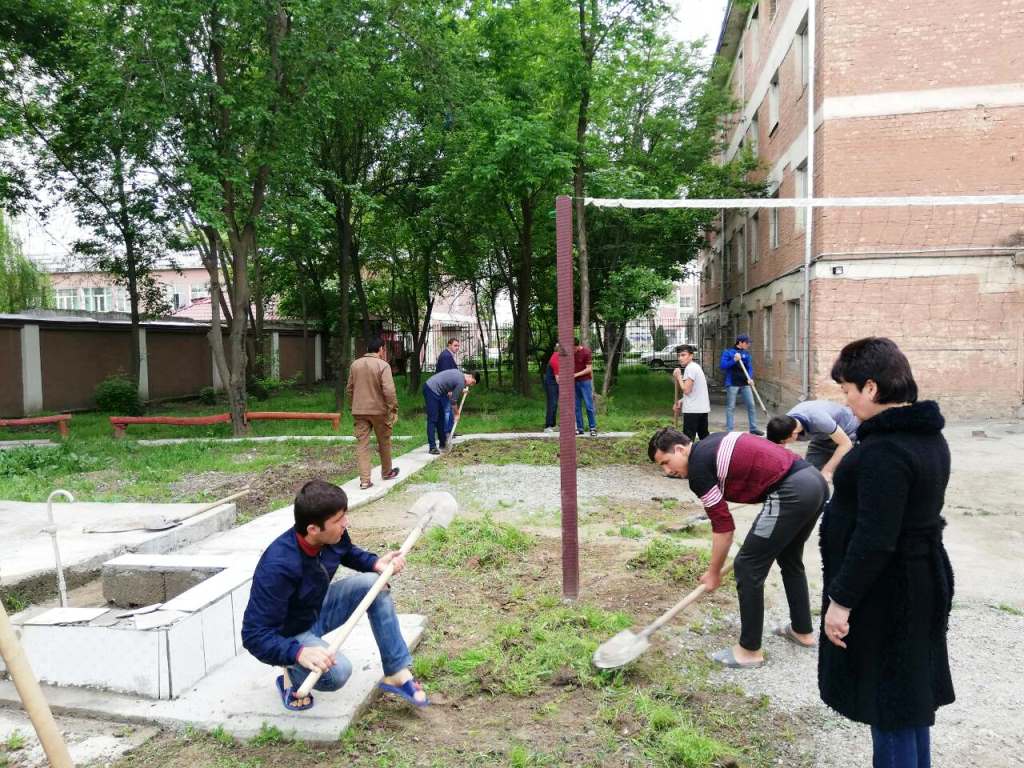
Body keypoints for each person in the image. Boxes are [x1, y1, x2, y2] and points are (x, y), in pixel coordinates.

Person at [819, 337, 954, 768]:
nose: (846, 399)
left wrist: (841, 601)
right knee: (909, 700)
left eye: (847, 390)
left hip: (890, 591)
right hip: (919, 577)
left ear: (872, 388)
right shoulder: (926, 438)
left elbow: (875, 537)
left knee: (889, 702)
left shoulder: (885, 451)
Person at [648, 426, 827, 668]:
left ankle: (749, 651)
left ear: (680, 449)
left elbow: (723, 527)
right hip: (813, 481)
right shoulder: (711, 443)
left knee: (748, 566)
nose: (668, 471)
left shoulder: (698, 469)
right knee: (789, 557)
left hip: (791, 490)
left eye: (666, 462)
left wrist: (713, 572)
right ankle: (802, 631)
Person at [241, 480, 427, 710]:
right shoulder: (277, 567)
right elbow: (254, 635)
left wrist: (375, 563)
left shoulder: (332, 536)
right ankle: (291, 674)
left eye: (344, 515)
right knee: (337, 674)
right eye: (338, 520)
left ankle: (396, 672)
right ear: (313, 529)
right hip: (290, 632)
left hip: (315, 609)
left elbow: (346, 552)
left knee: (375, 584)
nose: (345, 523)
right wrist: (297, 653)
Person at [346, 338, 400, 490]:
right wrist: (393, 408)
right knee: (384, 441)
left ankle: (365, 481)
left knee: (362, 444)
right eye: (383, 349)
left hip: (359, 411)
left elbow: (349, 389)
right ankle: (387, 472)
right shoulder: (383, 365)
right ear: (381, 349)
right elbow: (389, 391)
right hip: (379, 411)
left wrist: (352, 405)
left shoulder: (355, 364)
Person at [766, 400, 860, 482]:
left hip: (847, 433)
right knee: (809, 475)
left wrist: (828, 471)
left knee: (842, 476)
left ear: (794, 433)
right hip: (822, 436)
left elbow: (846, 444)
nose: (784, 445)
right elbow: (779, 448)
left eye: (784, 442)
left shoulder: (819, 420)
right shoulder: (785, 423)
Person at [423, 368, 477, 454]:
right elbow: (453, 401)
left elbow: (449, 390)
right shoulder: (461, 381)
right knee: (433, 419)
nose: (470, 385)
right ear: (470, 376)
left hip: (438, 391)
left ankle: (443, 444)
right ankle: (432, 447)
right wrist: (456, 414)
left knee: (441, 418)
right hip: (431, 389)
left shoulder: (459, 375)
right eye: (472, 382)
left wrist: (460, 390)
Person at [719, 334, 762, 435]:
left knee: (751, 405)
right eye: (747, 343)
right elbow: (723, 366)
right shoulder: (728, 352)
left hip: (745, 383)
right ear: (740, 342)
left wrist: (750, 378)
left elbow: (749, 367)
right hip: (732, 383)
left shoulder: (746, 354)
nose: (748, 345)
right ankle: (729, 430)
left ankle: (753, 428)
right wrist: (734, 360)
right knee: (731, 407)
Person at [672, 345, 710, 441]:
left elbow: (686, 390)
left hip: (693, 411)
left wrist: (679, 376)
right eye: (679, 355)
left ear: (691, 356)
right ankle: (710, 451)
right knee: (705, 438)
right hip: (701, 409)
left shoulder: (690, 368)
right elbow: (696, 391)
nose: (680, 358)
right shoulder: (695, 367)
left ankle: (690, 453)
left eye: (683, 355)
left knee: (687, 440)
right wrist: (681, 401)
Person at [436, 339, 460, 435]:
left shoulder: (447, 355)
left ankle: (450, 430)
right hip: (444, 388)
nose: (457, 348)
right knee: (447, 410)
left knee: (448, 409)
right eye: (455, 345)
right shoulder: (446, 356)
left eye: (458, 346)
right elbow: (446, 374)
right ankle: (447, 431)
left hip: (445, 387)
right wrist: (449, 390)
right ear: (449, 345)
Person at [573, 337, 597, 436]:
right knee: (576, 406)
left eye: (573, 348)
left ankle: (593, 428)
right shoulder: (571, 353)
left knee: (588, 405)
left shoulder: (586, 352)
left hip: (585, 382)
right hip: (575, 382)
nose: (572, 351)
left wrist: (575, 375)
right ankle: (580, 428)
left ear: (577, 346)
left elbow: (589, 369)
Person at [543, 347, 559, 432]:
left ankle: (553, 425)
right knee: (552, 403)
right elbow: (557, 378)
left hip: (554, 382)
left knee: (555, 404)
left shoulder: (558, 357)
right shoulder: (555, 358)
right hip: (551, 383)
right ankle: (548, 426)